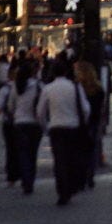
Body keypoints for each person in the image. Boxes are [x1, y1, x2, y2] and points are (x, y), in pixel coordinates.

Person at [36, 60, 90, 206]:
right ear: (66, 72)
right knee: (71, 159)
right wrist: (81, 121)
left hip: (56, 128)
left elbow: (40, 112)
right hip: (72, 127)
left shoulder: (48, 89)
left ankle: (62, 191)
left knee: (59, 161)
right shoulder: (75, 87)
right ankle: (71, 186)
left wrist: (45, 127)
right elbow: (85, 108)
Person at [8, 60, 43, 194]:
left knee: (22, 153)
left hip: (20, 123)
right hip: (35, 124)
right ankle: (30, 180)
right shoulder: (39, 86)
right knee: (32, 154)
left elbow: (11, 106)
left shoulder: (16, 87)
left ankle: (25, 179)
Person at [0, 63, 20, 187]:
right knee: (19, 148)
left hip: (9, 123)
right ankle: (21, 172)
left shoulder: (6, 89)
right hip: (21, 123)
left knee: (11, 149)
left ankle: (12, 175)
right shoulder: (27, 86)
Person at [73, 61, 105, 189]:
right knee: (91, 150)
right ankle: (90, 176)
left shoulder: (77, 88)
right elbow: (101, 108)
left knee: (79, 150)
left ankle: (81, 176)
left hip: (80, 122)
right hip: (94, 122)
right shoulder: (98, 89)